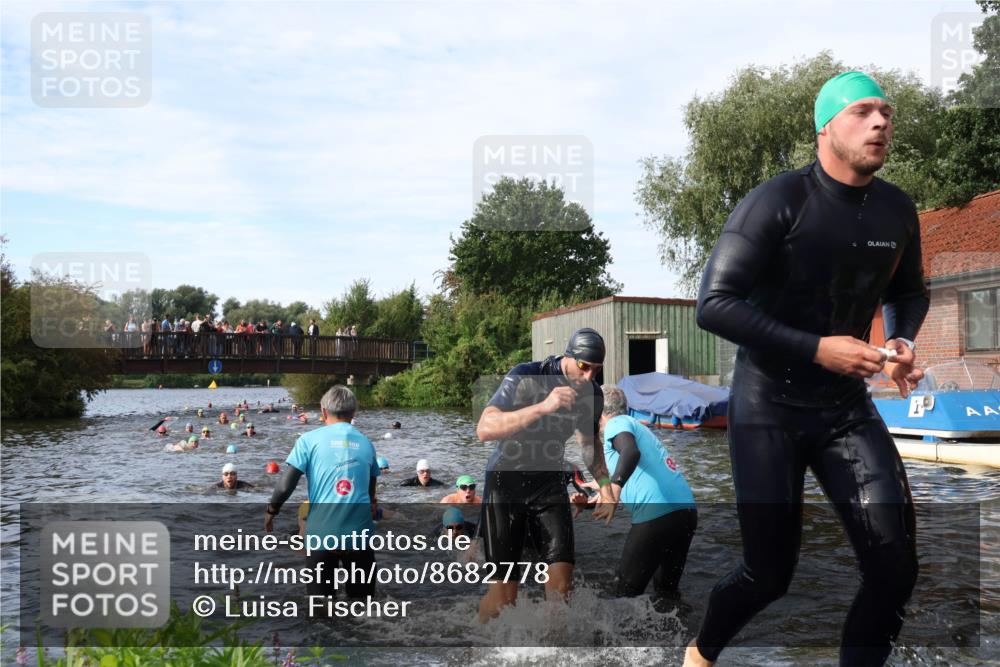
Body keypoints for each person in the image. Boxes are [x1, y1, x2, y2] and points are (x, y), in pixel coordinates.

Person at [683, 72, 928, 667]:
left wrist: (898, 340)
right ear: (826, 127)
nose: (881, 123)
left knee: (895, 566)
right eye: (864, 111)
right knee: (769, 575)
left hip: (845, 409)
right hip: (768, 405)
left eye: (887, 113)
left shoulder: (896, 209)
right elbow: (714, 305)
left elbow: (910, 292)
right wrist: (819, 347)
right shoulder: (780, 200)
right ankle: (699, 655)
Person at [475, 328, 617, 623]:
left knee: (562, 588)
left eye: (597, 369)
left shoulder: (591, 393)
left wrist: (605, 485)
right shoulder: (527, 375)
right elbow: (485, 429)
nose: (590, 376)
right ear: (568, 357)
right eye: (584, 366)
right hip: (506, 483)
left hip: (549, 483)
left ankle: (553, 652)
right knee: (504, 598)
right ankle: (477, 644)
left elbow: (590, 447)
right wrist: (544, 406)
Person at [264, 385, 380, 600]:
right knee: (363, 607)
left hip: (322, 535)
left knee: (320, 611)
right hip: (360, 535)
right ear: (354, 412)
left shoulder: (308, 440)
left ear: (323, 411)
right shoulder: (367, 443)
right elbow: (371, 496)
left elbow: (285, 485)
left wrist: (272, 510)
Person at [592, 385, 696, 604]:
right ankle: (683, 636)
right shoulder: (637, 427)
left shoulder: (616, 423)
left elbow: (631, 452)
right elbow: (628, 473)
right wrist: (592, 500)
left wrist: (616, 489)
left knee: (624, 594)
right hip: (685, 511)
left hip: (657, 514)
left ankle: (617, 639)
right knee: (666, 592)